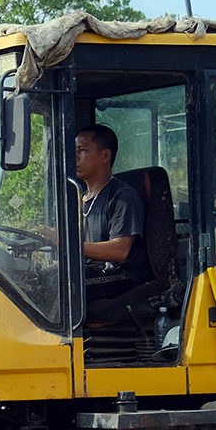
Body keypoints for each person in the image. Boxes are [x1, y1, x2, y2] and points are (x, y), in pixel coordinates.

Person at [74, 123, 152, 323]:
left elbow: (120, 251)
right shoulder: (81, 199)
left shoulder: (123, 197)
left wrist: (66, 245)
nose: (75, 156)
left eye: (81, 150)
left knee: (68, 287)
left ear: (104, 156)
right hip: (95, 271)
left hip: (123, 275)